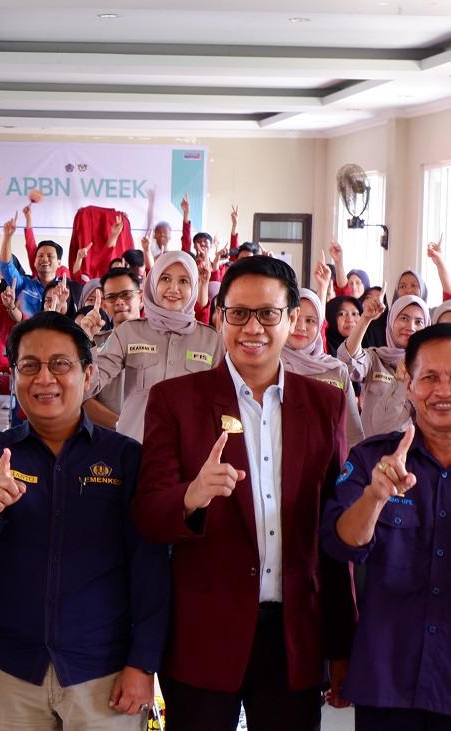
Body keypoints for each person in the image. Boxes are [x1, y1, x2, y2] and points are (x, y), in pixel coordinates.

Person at [131, 256, 355, 731]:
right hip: (203, 636)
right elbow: (148, 514)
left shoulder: (326, 404)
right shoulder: (175, 400)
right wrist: (190, 497)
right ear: (219, 317)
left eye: (268, 314)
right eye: (239, 313)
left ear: (292, 319)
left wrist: (341, 646)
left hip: (293, 639)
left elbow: (330, 537)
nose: (253, 328)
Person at [0, 312, 169, 729]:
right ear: (14, 376)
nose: (44, 378)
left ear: (88, 375)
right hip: (12, 670)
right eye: (29, 365)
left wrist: (143, 663)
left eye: (60, 364)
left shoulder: (125, 458)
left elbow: (150, 566)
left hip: (103, 672)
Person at [322, 323, 451, 730]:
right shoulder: (372, 459)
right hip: (388, 677)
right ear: (408, 383)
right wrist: (374, 498)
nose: (443, 391)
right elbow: (341, 544)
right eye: (429, 378)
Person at [84, 251, 224, 442]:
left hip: (189, 450)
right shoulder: (129, 332)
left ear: (194, 286)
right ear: (153, 283)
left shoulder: (212, 340)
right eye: (165, 279)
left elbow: (221, 403)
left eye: (184, 281)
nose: (173, 288)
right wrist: (86, 340)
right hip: (136, 447)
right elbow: (90, 387)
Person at [339, 293, 430, 438]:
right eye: (404, 318)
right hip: (371, 448)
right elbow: (347, 358)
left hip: (411, 450)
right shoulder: (375, 358)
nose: (411, 327)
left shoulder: (429, 368)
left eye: (419, 322)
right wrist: (365, 318)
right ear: (391, 321)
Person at [282, 288, 365, 447]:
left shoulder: (336, 370)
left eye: (310, 321)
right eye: (295, 318)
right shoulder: (270, 367)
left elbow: (352, 436)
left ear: (320, 324)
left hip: (330, 460)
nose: (301, 327)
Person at [82, 267, 143, 430]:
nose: (119, 301)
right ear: (105, 304)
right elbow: (84, 397)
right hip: (107, 437)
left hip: (154, 437)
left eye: (126, 294)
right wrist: (124, 427)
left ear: (141, 297)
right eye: (112, 297)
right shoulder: (93, 342)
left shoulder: (161, 340)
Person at [0, 214, 83, 319]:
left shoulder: (66, 289)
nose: (44, 259)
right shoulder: (23, 284)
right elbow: (6, 266)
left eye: (50, 256)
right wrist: (7, 237)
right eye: (40, 256)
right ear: (34, 262)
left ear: (59, 263)